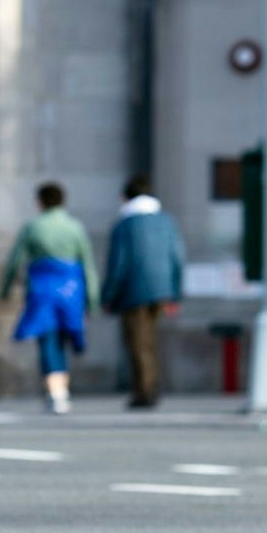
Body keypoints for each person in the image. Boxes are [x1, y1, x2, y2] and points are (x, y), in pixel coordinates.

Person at [0, 182, 99, 414]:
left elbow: (15, 261)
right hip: (71, 290)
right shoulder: (75, 227)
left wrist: (5, 290)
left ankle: (56, 392)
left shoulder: (33, 227)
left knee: (47, 340)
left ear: (40, 202)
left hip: (42, 289)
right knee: (65, 339)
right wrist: (92, 299)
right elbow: (88, 265)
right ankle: (61, 390)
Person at [101, 175, 185, 409]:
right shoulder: (166, 221)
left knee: (138, 343)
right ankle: (150, 387)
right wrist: (175, 292)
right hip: (162, 289)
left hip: (133, 291)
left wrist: (108, 295)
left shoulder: (124, 224)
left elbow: (118, 264)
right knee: (150, 341)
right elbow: (178, 258)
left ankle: (145, 391)